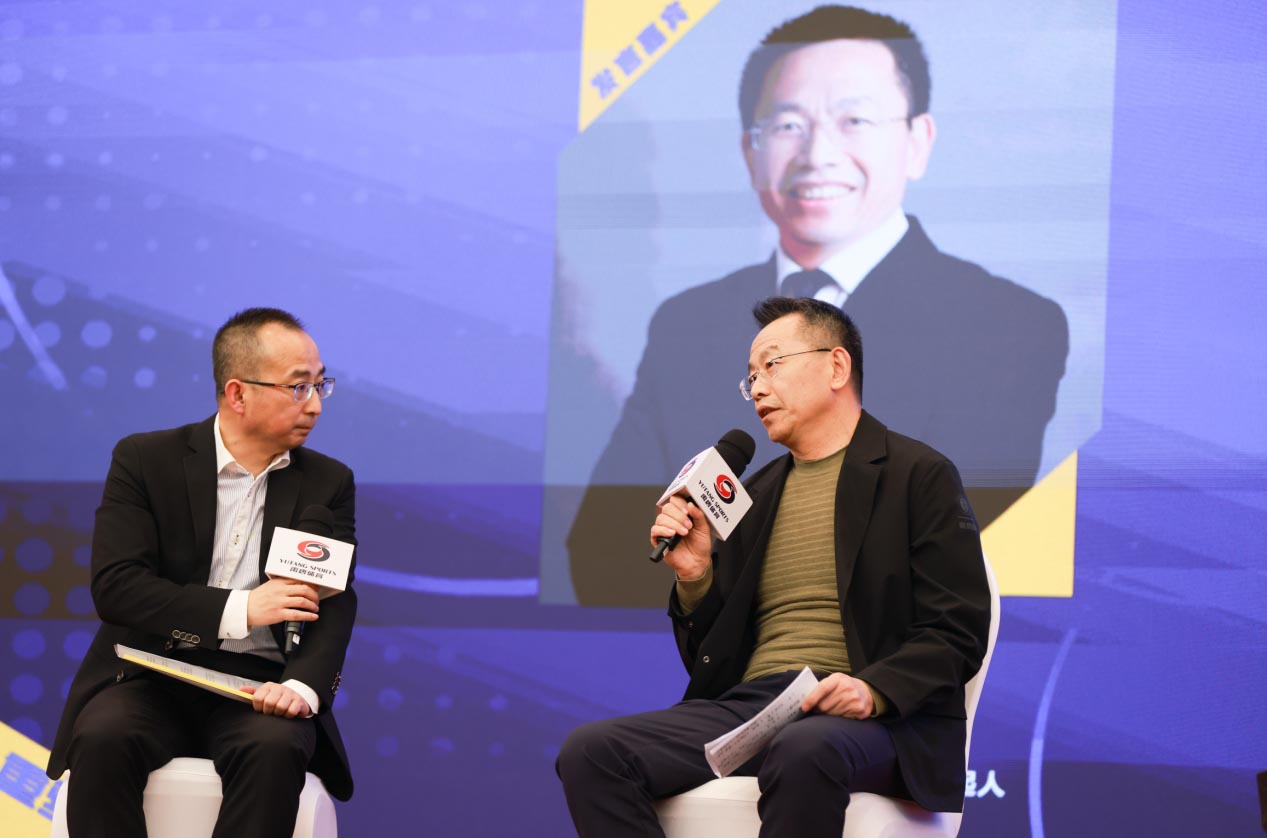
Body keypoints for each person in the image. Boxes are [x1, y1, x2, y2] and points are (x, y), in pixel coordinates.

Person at [567, 4, 1067, 605]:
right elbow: (598, 553)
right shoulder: (687, 324)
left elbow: (942, 545)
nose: (818, 153)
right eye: (787, 125)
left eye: (855, 119)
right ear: (751, 152)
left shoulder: (1011, 326)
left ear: (918, 141)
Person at [557, 297, 991, 837]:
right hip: (757, 708)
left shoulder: (916, 473)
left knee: (805, 747)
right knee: (592, 752)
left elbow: (957, 628)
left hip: (877, 717)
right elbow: (711, 665)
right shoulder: (751, 497)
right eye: (751, 377)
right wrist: (695, 578)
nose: (758, 388)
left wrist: (872, 690)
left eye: (773, 365)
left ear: (837, 366)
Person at [45, 308, 358, 838]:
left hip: (259, 686)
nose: (315, 404)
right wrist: (244, 608)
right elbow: (118, 587)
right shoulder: (146, 460)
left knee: (275, 748)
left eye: (320, 385)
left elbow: (334, 596)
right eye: (298, 387)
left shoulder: (328, 482)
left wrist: (303, 685)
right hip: (150, 672)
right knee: (103, 737)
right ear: (238, 394)